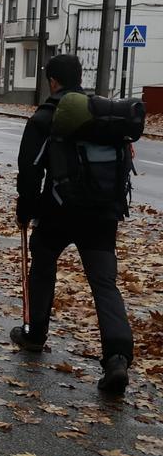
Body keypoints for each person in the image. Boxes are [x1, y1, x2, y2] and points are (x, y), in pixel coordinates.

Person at [10, 54, 134, 395]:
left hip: (60, 211)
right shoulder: (103, 115)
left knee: (44, 260)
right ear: (81, 77)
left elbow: (31, 170)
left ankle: (35, 333)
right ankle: (118, 357)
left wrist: (26, 208)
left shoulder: (47, 116)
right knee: (104, 283)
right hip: (104, 213)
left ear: (53, 82)